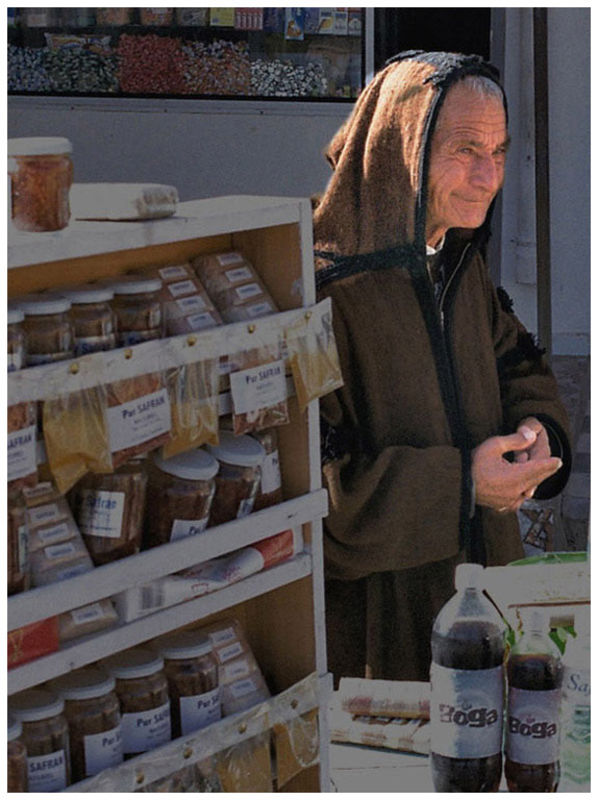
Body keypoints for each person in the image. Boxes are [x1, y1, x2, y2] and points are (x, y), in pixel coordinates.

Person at [312, 51, 571, 684]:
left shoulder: (457, 264)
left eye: (499, 151)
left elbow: (519, 365)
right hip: (384, 641)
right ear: (403, 150)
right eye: (465, 150)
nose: (489, 177)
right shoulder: (321, 293)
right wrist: (464, 486)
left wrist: (537, 432)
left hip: (486, 607)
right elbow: (319, 499)